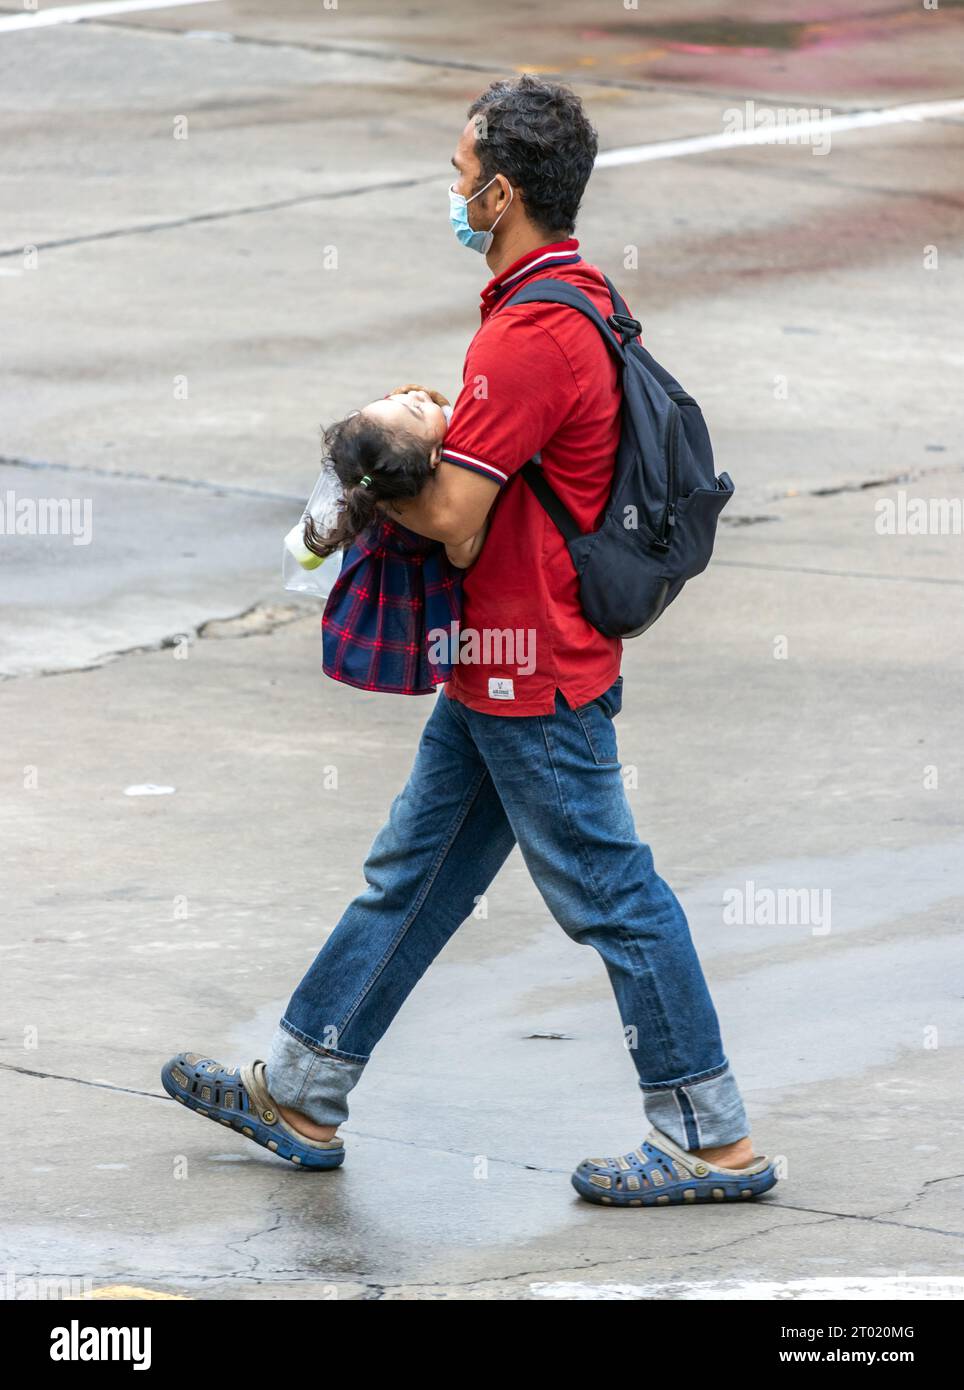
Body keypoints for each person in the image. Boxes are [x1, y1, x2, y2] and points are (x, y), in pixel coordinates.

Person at [161, 75, 779, 1207]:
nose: (450, 191)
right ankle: (302, 1088)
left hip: (528, 666)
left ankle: (709, 1132)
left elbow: (453, 516)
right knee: (413, 875)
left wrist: (364, 465)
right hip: (497, 664)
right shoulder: (564, 299)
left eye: (458, 175)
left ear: (501, 192)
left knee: (610, 891)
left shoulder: (533, 334)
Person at [304, 385, 485, 694]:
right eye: (415, 409)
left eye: (392, 399)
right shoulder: (437, 500)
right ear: (435, 457)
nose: (415, 395)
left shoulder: (378, 473)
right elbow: (462, 551)